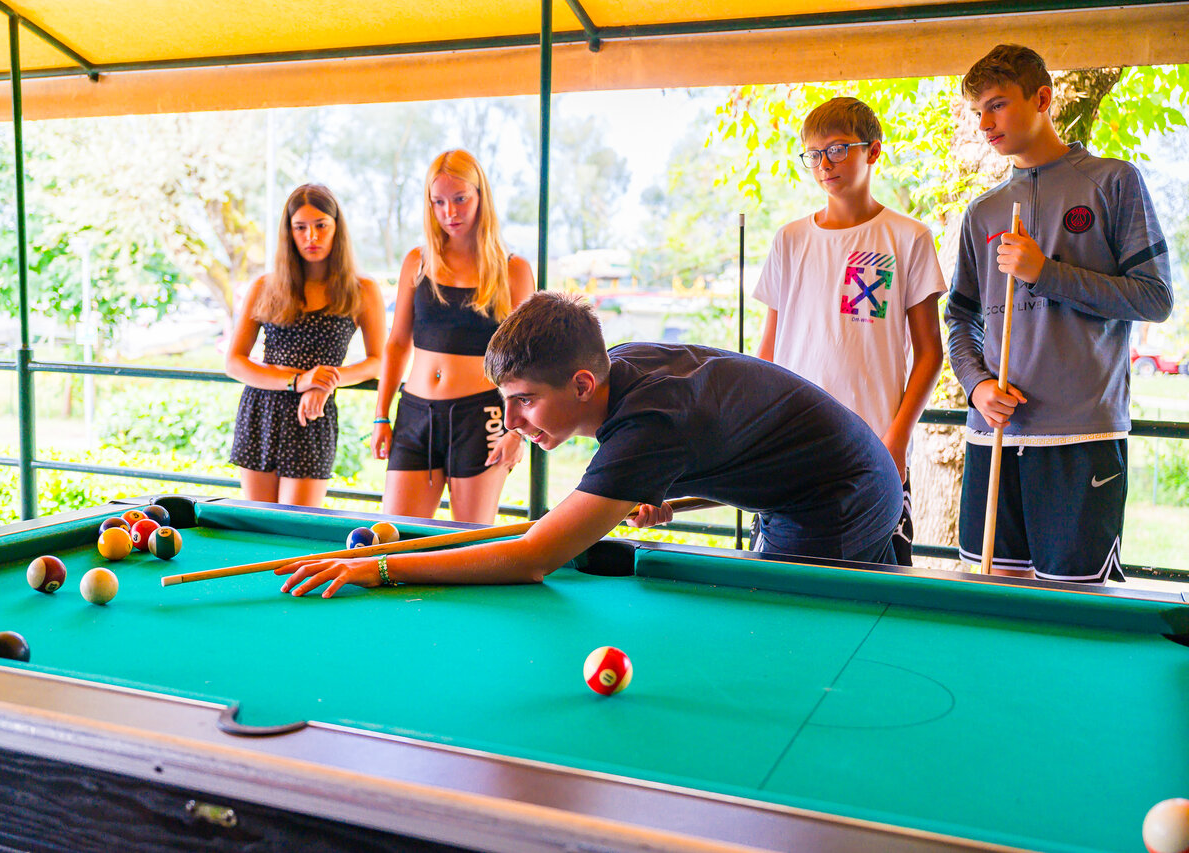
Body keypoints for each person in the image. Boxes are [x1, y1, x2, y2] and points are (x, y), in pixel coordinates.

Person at [279, 292, 903, 598]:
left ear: (581, 383)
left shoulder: (650, 425)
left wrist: (382, 567)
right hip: (823, 472)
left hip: (843, 496)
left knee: (790, 635)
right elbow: (740, 431)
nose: (512, 422)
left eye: (524, 399)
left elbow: (531, 556)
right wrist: (662, 487)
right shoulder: (616, 369)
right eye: (505, 401)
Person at [945, 44, 1173, 582]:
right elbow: (960, 321)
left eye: (997, 105)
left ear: (1042, 98)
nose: (984, 123)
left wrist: (1045, 274)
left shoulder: (1114, 181)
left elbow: (1155, 298)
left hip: (1082, 438)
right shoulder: (982, 211)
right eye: (977, 110)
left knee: (1073, 607)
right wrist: (977, 386)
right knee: (992, 604)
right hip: (992, 437)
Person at [753, 97, 945, 565]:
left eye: (837, 149)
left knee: (880, 597)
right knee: (785, 593)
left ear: (873, 152)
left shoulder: (908, 236)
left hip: (874, 451)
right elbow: (767, 353)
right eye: (813, 153)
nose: (824, 164)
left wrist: (896, 442)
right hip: (790, 447)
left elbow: (930, 355)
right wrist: (751, 436)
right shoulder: (790, 239)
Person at [372, 150, 534, 523]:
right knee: (393, 538)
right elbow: (397, 343)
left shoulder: (513, 270)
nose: (451, 212)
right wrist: (381, 416)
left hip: (483, 417)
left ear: (481, 196)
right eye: (439, 202)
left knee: (465, 547)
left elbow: (530, 363)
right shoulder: (418, 260)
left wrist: (518, 432)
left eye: (461, 199)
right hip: (415, 413)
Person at [226, 184, 386, 507]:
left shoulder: (362, 289)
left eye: (320, 226)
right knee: (260, 527)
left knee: (294, 530)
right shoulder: (266, 286)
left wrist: (325, 381)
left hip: (311, 416)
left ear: (336, 228)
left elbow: (379, 361)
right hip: (261, 411)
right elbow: (234, 361)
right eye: (300, 228)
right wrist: (299, 381)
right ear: (289, 232)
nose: (311, 237)